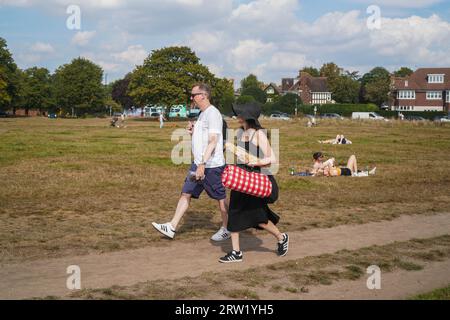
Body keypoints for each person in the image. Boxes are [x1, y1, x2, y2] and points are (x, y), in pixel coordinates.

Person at [152, 84, 230, 242]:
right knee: (186, 192)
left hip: (211, 166)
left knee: (220, 198)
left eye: (193, 94)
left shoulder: (213, 114)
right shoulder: (202, 114)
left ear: (203, 95)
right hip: (199, 163)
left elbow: (214, 140)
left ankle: (227, 228)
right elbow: (204, 136)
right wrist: (193, 131)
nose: (191, 97)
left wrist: (202, 164)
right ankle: (172, 226)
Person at [219, 102, 289, 263]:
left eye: (240, 113)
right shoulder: (240, 132)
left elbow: (272, 159)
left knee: (259, 218)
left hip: (255, 179)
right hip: (241, 178)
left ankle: (281, 236)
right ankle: (236, 252)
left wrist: (254, 163)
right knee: (234, 211)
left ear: (247, 116)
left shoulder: (259, 134)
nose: (237, 115)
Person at [312, 152, 376, 177]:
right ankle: (357, 173)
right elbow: (314, 172)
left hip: (339, 170)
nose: (322, 158)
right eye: (321, 157)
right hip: (340, 171)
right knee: (353, 156)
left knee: (351, 168)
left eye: (322, 156)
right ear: (317, 158)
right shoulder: (317, 165)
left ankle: (369, 172)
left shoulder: (320, 163)